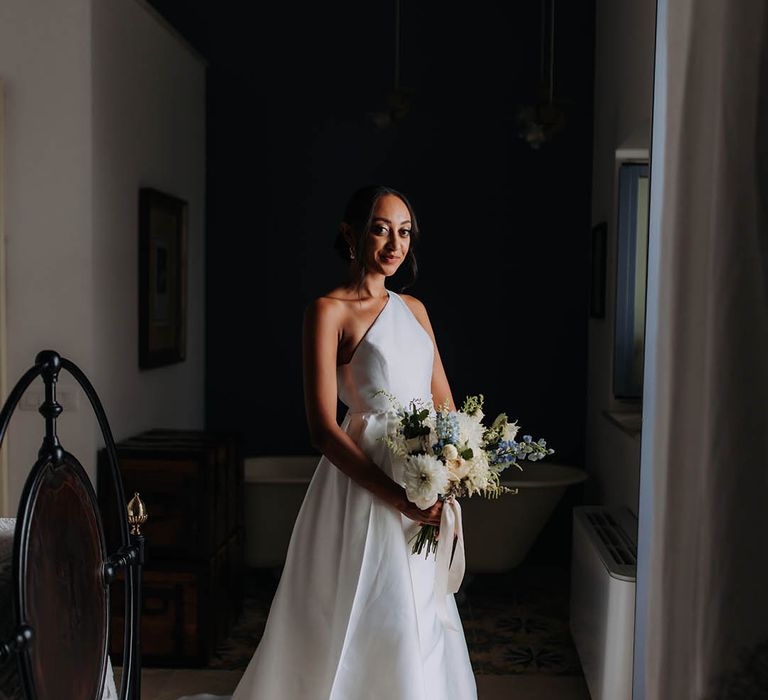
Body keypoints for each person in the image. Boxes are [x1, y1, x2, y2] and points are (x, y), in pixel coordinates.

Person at [181, 185, 477, 700]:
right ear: (351, 234)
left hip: (423, 479)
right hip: (363, 486)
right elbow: (322, 428)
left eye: (404, 232)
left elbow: (446, 406)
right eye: (381, 228)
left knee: (421, 613)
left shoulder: (416, 309)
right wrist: (393, 494)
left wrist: (452, 472)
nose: (394, 243)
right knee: (363, 608)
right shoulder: (328, 311)